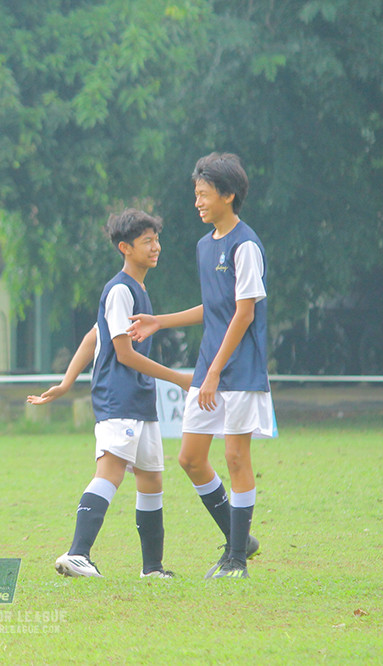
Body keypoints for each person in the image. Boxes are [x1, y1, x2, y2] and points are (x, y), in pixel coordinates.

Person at [128, 152, 270, 579]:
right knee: (190, 458)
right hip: (212, 363)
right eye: (196, 194)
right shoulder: (204, 246)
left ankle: (236, 561)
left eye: (204, 194)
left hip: (239, 368)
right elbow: (215, 307)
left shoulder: (246, 245)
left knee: (235, 456)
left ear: (229, 195)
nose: (198, 202)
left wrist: (212, 373)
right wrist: (159, 320)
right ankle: (238, 536)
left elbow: (243, 314)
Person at [28, 209, 191, 579]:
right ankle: (77, 553)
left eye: (156, 239)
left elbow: (92, 335)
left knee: (151, 479)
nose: (156, 247)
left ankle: (153, 568)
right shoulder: (120, 289)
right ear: (125, 247)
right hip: (119, 397)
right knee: (112, 471)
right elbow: (123, 353)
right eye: (147, 241)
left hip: (139, 398)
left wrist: (67, 382)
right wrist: (178, 379)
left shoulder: (137, 289)